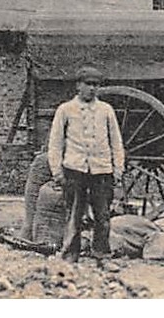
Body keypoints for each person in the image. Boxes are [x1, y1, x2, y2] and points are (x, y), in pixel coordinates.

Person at [47, 65, 126, 263]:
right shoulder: (65, 110)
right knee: (74, 214)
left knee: (103, 215)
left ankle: (101, 255)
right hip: (75, 169)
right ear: (78, 86)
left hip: (101, 170)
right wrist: (57, 171)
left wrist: (118, 169)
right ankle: (71, 255)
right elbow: (55, 142)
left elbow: (116, 141)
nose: (92, 89)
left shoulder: (106, 110)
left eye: (96, 85)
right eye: (88, 84)